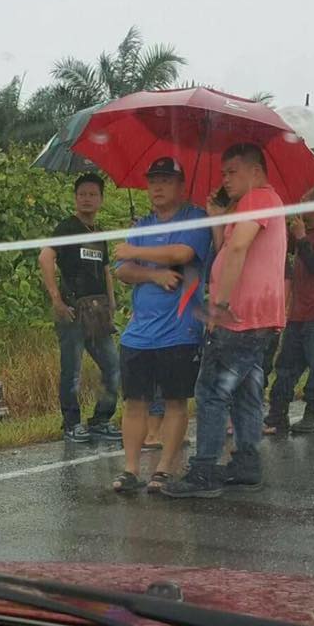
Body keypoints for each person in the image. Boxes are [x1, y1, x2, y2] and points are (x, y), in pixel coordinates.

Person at [162, 143, 287, 498]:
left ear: (256, 171)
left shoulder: (258, 199)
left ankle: (203, 470)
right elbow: (227, 249)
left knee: (212, 390)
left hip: (241, 317)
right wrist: (219, 217)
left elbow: (237, 250)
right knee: (245, 391)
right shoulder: (254, 204)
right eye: (223, 173)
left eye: (233, 172)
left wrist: (219, 305)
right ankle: (246, 463)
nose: (225, 179)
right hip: (256, 316)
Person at [110, 158, 212, 493]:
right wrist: (153, 273)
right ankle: (129, 469)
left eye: (166, 181)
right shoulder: (142, 224)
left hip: (179, 328)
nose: (157, 187)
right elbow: (122, 270)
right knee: (134, 401)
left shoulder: (195, 217)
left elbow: (182, 253)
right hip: (139, 331)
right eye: (153, 180)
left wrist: (137, 250)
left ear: (181, 186)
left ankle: (165, 468)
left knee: (175, 401)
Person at [38, 172, 121, 443]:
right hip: (72, 311)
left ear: (101, 199)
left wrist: (112, 304)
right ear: (75, 198)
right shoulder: (67, 228)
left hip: (97, 312)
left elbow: (106, 270)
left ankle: (100, 419)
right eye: (82, 194)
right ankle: (71, 424)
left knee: (113, 366)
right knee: (71, 371)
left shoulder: (98, 232)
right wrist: (56, 300)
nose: (87, 199)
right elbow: (45, 256)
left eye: (93, 194)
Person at [265, 181, 314, 434]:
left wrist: (301, 237)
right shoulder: (299, 232)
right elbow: (277, 252)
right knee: (286, 364)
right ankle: (277, 416)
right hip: (298, 311)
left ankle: (313, 414)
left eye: (307, 199)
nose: (301, 204)